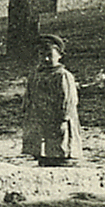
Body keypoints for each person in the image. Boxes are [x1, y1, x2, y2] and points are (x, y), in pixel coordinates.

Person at [23, 33, 81, 166]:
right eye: (42, 55)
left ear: (59, 55)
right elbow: (29, 95)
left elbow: (69, 100)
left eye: (50, 55)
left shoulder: (62, 76)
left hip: (57, 119)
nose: (46, 59)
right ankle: (43, 158)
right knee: (42, 149)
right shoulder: (35, 75)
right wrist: (27, 111)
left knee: (59, 147)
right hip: (39, 119)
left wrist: (64, 117)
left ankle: (62, 160)